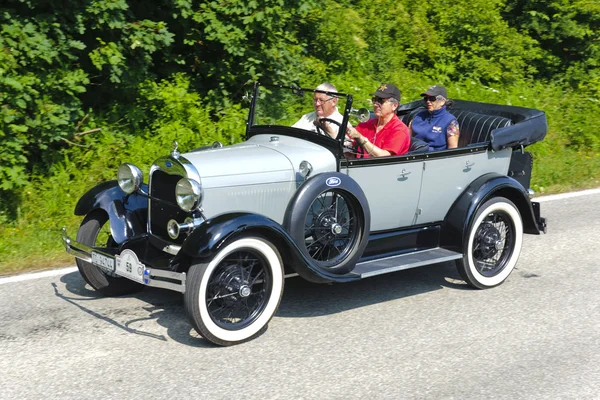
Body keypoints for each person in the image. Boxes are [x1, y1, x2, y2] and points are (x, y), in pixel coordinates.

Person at [345, 83, 410, 158]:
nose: (375, 104)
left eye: (380, 101)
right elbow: (347, 142)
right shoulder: (367, 124)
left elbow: (384, 157)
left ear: (394, 106)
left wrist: (361, 138)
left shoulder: (400, 130)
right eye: (374, 100)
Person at [409, 85, 460, 151]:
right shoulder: (418, 116)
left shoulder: (451, 121)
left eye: (432, 99)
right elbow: (406, 139)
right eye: (426, 98)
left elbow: (452, 149)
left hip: (433, 157)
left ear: (443, 101)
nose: (428, 101)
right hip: (413, 154)